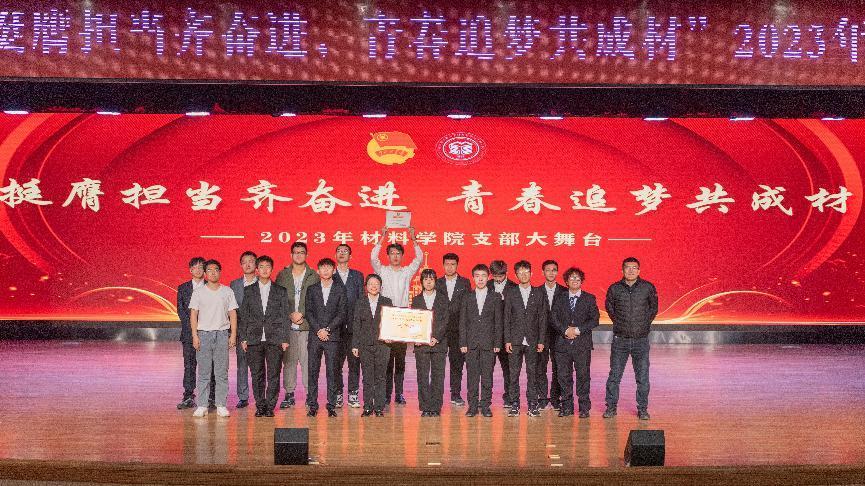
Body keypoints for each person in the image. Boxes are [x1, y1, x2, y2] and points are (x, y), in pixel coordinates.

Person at [370, 227, 424, 406]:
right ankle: (386, 394)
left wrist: (413, 239)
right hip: (386, 317)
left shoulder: (406, 272)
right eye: (392, 253)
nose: (395, 256)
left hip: (401, 317)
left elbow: (419, 259)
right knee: (386, 359)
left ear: (401, 256)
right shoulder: (382, 271)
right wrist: (382, 238)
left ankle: (399, 393)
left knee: (400, 359)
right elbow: (373, 258)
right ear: (388, 256)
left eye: (398, 253)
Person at [603, 257, 658, 421]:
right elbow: (610, 308)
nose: (631, 270)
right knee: (614, 376)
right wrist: (620, 323)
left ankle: (643, 409)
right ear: (622, 270)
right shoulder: (614, 288)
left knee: (642, 378)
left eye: (634, 268)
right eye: (628, 267)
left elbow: (653, 309)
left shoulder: (647, 287)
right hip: (620, 340)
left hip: (641, 340)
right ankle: (611, 407)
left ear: (639, 270)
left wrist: (643, 324)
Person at [238, 255, 289, 418]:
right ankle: (260, 405)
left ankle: (270, 406)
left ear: (272, 269)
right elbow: (244, 316)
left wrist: (285, 339)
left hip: (275, 339)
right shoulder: (249, 290)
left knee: (274, 375)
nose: (265, 269)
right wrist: (243, 338)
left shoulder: (281, 291)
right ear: (257, 270)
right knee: (257, 374)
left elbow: (285, 315)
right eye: (261, 267)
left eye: (268, 266)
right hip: (254, 338)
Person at [189, 259, 238, 418]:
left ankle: (221, 405)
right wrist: (195, 335)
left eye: (216, 270)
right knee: (204, 372)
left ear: (220, 272)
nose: (213, 273)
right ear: (205, 273)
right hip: (203, 334)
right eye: (209, 270)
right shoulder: (198, 292)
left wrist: (233, 335)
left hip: (222, 334)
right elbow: (193, 314)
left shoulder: (227, 291)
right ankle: (202, 405)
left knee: (221, 372)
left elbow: (232, 314)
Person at [275, 241, 320, 409]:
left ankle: (310, 395)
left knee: (308, 362)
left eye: (302, 252)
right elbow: (277, 299)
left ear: (306, 255)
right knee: (289, 362)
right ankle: (289, 394)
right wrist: (290, 314)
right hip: (288, 328)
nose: (299, 255)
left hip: (307, 326)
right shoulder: (282, 275)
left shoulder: (313, 275)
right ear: (291, 255)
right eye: (296, 252)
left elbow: (316, 299)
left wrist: (302, 313)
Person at [551, 267, 599, 418]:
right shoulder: (559, 298)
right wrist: (565, 330)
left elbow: (595, 320)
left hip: (582, 345)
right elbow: (553, 318)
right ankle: (567, 406)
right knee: (563, 376)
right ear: (566, 281)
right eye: (572, 278)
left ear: (581, 281)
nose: (575, 280)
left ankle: (584, 407)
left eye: (578, 278)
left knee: (583, 376)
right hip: (562, 344)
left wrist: (577, 330)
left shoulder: (589, 298)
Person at [502, 260, 547, 417]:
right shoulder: (511, 293)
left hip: (533, 340)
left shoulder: (539, 293)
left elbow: (542, 318)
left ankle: (532, 404)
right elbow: (506, 318)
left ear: (531, 273)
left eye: (526, 272)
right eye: (520, 273)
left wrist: (541, 340)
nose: (523, 275)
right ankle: (514, 404)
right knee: (513, 374)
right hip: (515, 340)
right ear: (516, 275)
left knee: (532, 373)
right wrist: (507, 340)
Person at [305, 258, 347, 417]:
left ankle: (331, 405)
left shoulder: (340, 289)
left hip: (333, 336)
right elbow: (308, 312)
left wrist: (328, 329)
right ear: (318, 271)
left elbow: (342, 313)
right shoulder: (312, 289)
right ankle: (312, 405)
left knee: (332, 372)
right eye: (322, 268)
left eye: (329, 268)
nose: (325, 270)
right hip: (315, 336)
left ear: (333, 270)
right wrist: (318, 330)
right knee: (312, 371)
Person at [460, 264, 503, 418]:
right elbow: (463, 321)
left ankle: (485, 406)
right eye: (477, 276)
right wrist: (463, 343)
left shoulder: (495, 297)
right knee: (472, 377)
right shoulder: (467, 297)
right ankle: (472, 407)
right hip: (471, 344)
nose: (480, 279)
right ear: (473, 278)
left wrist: (497, 343)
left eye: (483, 276)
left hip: (489, 343)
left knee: (487, 377)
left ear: (488, 277)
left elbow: (498, 322)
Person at [352, 274, 394, 417]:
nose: (374, 286)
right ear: (366, 286)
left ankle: (379, 408)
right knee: (367, 377)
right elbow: (356, 324)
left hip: (383, 345)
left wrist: (391, 336)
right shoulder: (360, 302)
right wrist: (355, 345)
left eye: (376, 284)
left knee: (381, 377)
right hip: (365, 345)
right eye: (371, 283)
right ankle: (368, 407)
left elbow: (391, 322)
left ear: (381, 287)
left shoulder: (387, 301)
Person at [176, 256, 214, 410]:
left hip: (208, 332)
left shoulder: (211, 286)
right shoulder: (183, 288)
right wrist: (193, 331)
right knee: (189, 365)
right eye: (195, 267)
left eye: (201, 267)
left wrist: (203, 328)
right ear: (190, 270)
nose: (198, 270)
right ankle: (188, 396)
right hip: (188, 334)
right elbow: (181, 311)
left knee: (210, 366)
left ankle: (211, 397)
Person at [411, 268, 449, 417]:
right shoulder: (416, 300)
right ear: (421, 282)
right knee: (422, 376)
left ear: (435, 281)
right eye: (425, 279)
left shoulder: (443, 298)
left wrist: (436, 337)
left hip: (439, 344)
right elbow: (413, 321)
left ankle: (436, 407)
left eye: (431, 279)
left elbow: (446, 320)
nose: (428, 282)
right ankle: (425, 407)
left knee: (438, 376)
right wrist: (417, 337)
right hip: (421, 345)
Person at [435, 253, 470, 407]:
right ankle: (437, 395)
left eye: (453, 264)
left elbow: (468, 306)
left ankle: (455, 394)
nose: (449, 267)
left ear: (457, 265)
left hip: (458, 330)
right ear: (443, 265)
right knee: (438, 363)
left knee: (457, 363)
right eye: (447, 264)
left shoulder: (465, 282)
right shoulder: (437, 283)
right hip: (440, 330)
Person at [333, 244, 364, 409]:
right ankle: (337, 393)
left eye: (345, 251)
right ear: (335, 255)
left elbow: (361, 302)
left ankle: (353, 393)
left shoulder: (357, 276)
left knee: (354, 363)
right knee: (335, 364)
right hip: (335, 329)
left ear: (350, 256)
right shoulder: (330, 275)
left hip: (353, 328)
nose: (342, 253)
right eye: (339, 251)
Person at [229, 250, 257, 409]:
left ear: (256, 264)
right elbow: (231, 310)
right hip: (241, 331)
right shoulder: (234, 285)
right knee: (242, 365)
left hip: (260, 332)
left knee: (259, 365)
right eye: (244, 262)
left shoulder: (264, 282)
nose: (248, 264)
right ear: (241, 265)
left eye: (251, 261)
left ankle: (260, 395)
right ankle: (243, 396)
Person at [538, 260, 566, 411]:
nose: (551, 272)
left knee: (558, 367)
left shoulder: (564, 291)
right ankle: (542, 398)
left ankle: (555, 398)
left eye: (554, 270)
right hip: (540, 336)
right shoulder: (536, 291)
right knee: (540, 367)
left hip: (559, 335)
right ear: (542, 272)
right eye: (548, 270)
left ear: (557, 272)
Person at [489, 259, 517, 408]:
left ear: (506, 273)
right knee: (487, 369)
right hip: (490, 335)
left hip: (507, 336)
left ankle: (510, 398)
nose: (498, 279)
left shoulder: (514, 287)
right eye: (495, 276)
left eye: (501, 276)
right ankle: (485, 399)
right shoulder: (486, 286)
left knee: (509, 369)